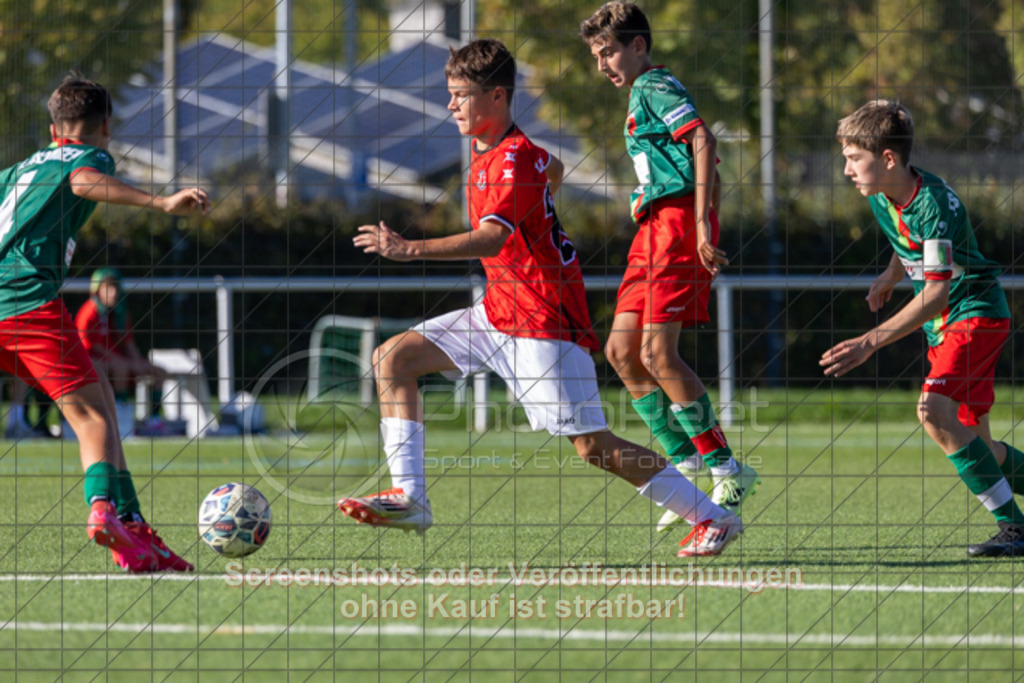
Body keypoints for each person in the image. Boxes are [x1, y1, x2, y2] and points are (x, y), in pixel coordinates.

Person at [338, 39, 744, 558]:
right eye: (451, 94)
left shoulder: (512, 159)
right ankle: (411, 496)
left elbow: (492, 237)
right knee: (392, 358)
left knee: (595, 448)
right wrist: (544, 183)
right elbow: (552, 168)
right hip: (497, 311)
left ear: (498, 97)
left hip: (542, 321)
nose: (451, 105)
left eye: (461, 95)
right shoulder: (498, 151)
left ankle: (713, 516)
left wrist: (408, 247)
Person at [0, 76, 209, 571]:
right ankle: (103, 513)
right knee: (92, 418)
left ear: (53, 127)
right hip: (25, 305)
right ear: (106, 127)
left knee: (104, 407)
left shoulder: (16, 171)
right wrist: (161, 202)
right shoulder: (85, 158)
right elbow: (80, 181)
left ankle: (135, 531)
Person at [579, 2, 760, 534]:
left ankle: (727, 467)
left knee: (659, 352)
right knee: (620, 352)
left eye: (608, 51)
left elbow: (703, 140)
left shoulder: (656, 85)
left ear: (638, 46)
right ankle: (684, 463)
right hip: (652, 228)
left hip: (678, 224)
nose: (602, 64)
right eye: (595, 55)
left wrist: (702, 223)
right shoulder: (638, 94)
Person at [823, 99, 1024, 557]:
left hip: (972, 314)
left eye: (855, 159)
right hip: (948, 325)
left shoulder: (934, 203)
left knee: (932, 411)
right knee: (984, 448)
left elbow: (937, 293)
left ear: (888, 159)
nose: (848, 170)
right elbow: (907, 241)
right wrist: (891, 275)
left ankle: (1015, 528)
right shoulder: (883, 194)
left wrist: (869, 341)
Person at [76, 267, 168, 404]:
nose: (113, 293)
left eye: (115, 289)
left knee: (159, 372)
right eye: (108, 289)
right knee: (121, 369)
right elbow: (87, 345)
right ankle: (120, 412)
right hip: (94, 360)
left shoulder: (120, 313)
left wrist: (137, 360)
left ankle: (153, 419)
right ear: (97, 290)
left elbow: (127, 342)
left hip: (116, 359)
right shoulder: (89, 311)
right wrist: (116, 359)